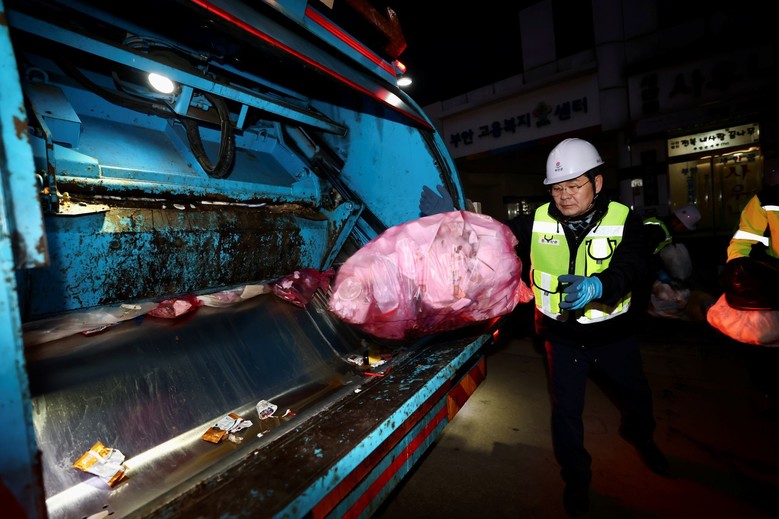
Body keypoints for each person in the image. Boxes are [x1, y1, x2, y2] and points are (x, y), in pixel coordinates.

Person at [506, 138, 670, 516]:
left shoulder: (623, 218)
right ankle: (577, 478)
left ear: (597, 183)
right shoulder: (536, 220)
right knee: (565, 412)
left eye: (573, 185)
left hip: (613, 336)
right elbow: (498, 238)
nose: (564, 195)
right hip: (561, 336)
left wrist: (599, 285)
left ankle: (641, 437)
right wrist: (460, 226)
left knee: (636, 398)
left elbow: (634, 265)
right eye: (556, 188)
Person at [724, 168, 779, 415]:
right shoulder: (766, 200)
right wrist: (739, 271)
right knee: (763, 342)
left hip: (772, 278)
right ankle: (767, 392)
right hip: (773, 279)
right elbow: (744, 241)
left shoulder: (766, 200)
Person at [641, 206, 702, 318]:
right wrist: (658, 271)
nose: (684, 231)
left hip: (642, 261)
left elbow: (656, 253)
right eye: (684, 227)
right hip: (632, 261)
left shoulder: (666, 229)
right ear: (678, 222)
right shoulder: (657, 230)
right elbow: (644, 253)